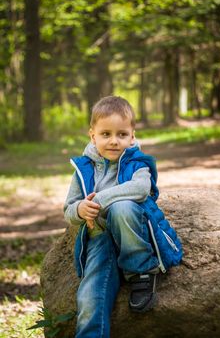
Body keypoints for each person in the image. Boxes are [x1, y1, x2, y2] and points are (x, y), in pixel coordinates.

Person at [64, 95, 182, 338]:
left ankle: (140, 272)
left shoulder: (137, 162)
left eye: (121, 134)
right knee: (89, 297)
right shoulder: (83, 168)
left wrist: (100, 200)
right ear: (92, 135)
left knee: (122, 207)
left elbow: (140, 189)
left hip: (133, 232)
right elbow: (68, 209)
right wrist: (80, 210)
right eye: (106, 134)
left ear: (132, 136)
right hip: (100, 238)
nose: (114, 141)